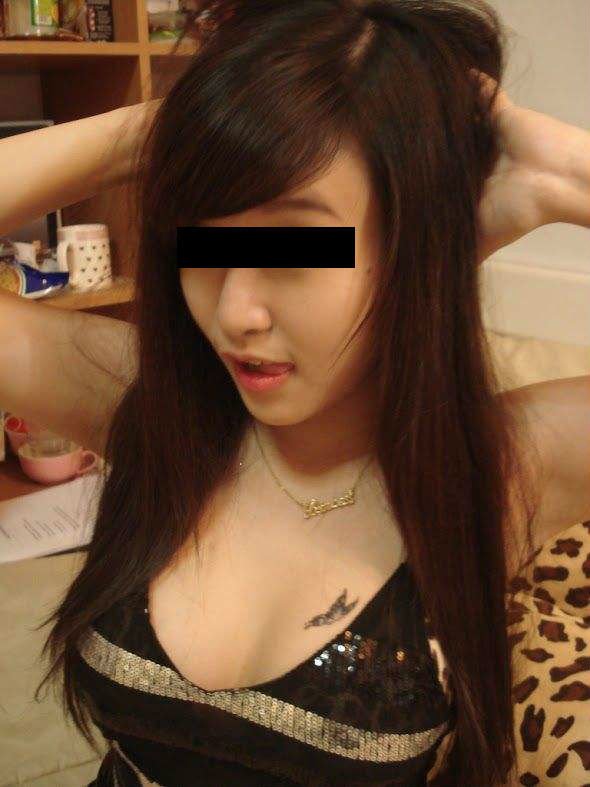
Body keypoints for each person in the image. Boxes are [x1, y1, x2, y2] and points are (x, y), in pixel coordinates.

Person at [2, 0, 589, 784]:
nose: (235, 312)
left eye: (297, 246)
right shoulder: (151, 403)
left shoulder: (500, 465)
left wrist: (563, 171)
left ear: (412, 242)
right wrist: (166, 129)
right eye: (204, 243)